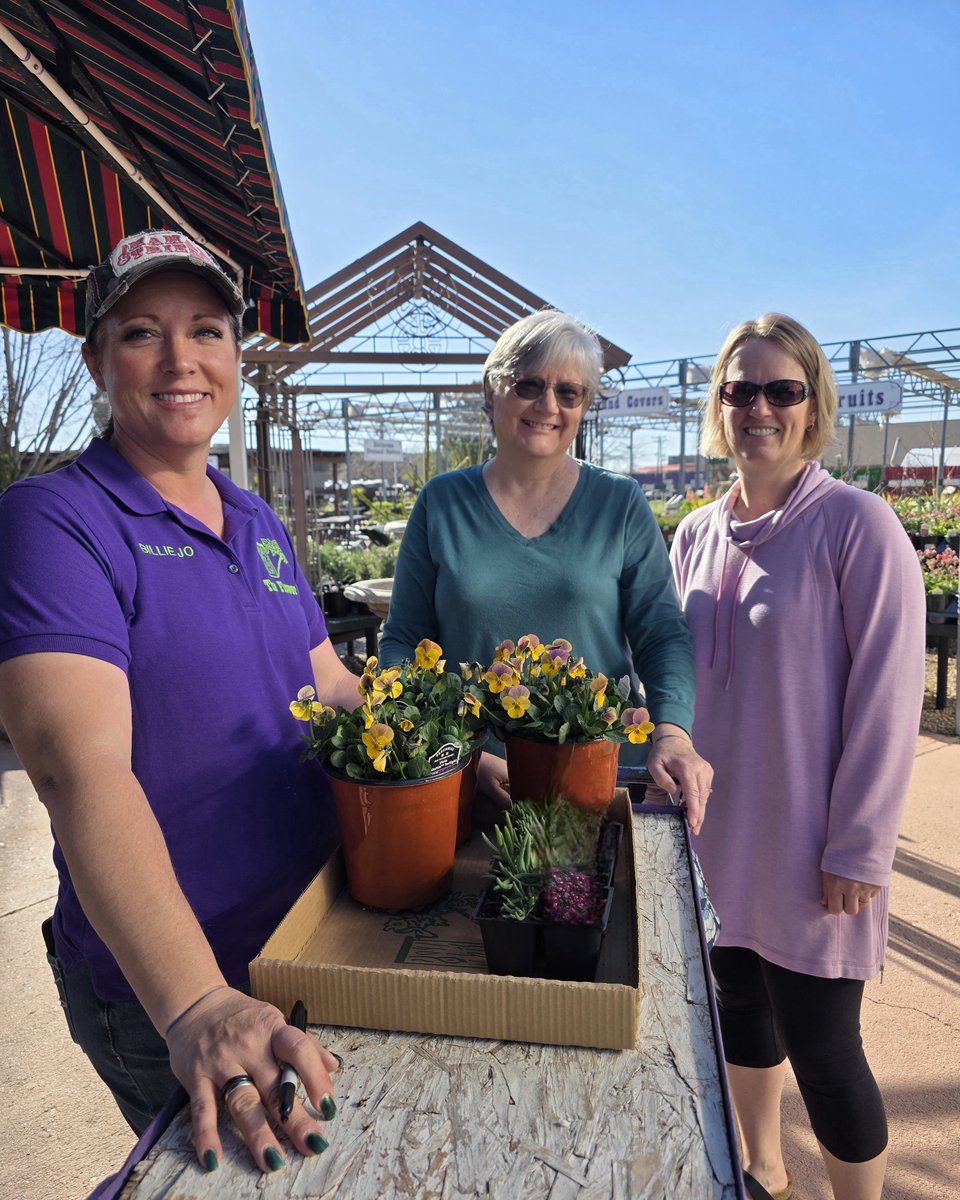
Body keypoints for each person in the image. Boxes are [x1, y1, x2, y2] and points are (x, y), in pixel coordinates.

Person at [0, 230, 361, 1176]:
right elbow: (78, 769)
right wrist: (196, 1001)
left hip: (310, 937)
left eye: (205, 329)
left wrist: (452, 755)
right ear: (93, 359)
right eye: (141, 334)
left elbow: (327, 687)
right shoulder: (55, 523)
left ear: (236, 355)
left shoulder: (257, 520)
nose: (180, 360)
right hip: (172, 986)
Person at [669, 313, 925, 1200]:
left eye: (782, 390)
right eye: (742, 390)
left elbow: (890, 700)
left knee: (825, 1048)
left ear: (812, 406)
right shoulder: (695, 534)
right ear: (720, 405)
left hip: (814, 851)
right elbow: (673, 678)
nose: (760, 408)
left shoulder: (860, 526)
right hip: (713, 837)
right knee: (737, 1006)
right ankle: (765, 1172)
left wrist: (859, 846)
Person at [379, 308, 713, 826]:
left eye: (569, 392)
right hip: (469, 782)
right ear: (492, 392)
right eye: (528, 384)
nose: (548, 405)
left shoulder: (618, 504)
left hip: (598, 781)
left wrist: (672, 730)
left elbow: (661, 634)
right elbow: (404, 637)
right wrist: (452, 750)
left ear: (583, 406)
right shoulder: (442, 503)